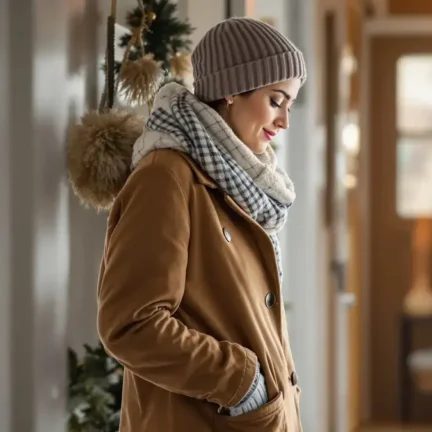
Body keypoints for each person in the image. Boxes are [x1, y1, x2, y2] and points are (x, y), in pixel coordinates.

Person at [89, 18, 306, 431]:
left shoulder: (240, 182)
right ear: (233, 89)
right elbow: (131, 324)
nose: (284, 122)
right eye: (276, 101)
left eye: (290, 105)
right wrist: (240, 383)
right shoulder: (166, 177)